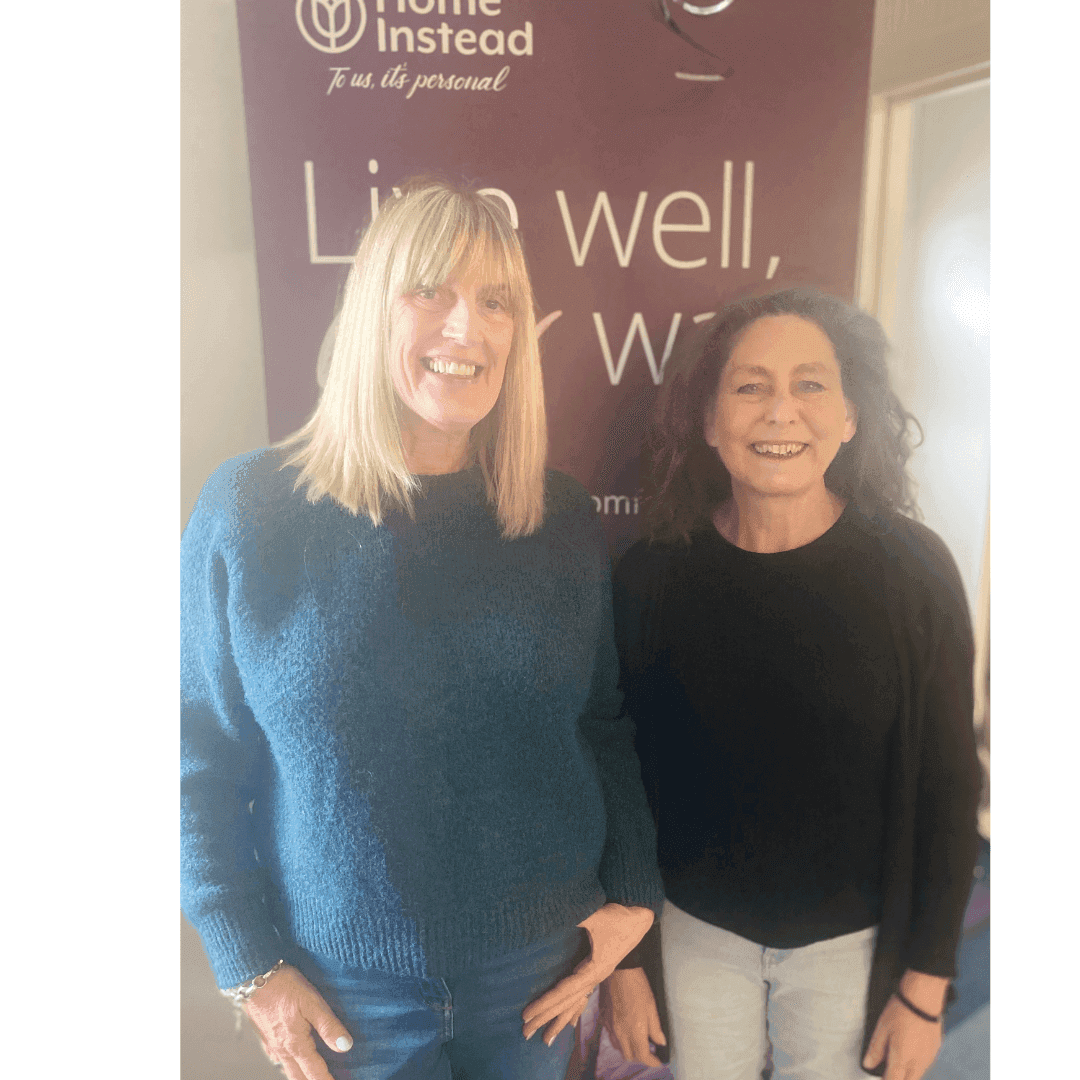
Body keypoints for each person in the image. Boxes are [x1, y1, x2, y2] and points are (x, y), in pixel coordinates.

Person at [181, 179, 665, 1080]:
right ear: (372, 309)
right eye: (429, 291)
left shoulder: (554, 513)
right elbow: (194, 756)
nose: (465, 330)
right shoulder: (250, 512)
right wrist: (245, 962)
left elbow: (600, 720)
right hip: (347, 1000)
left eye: (496, 301)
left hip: (537, 979)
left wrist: (634, 895)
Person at [604, 289, 981, 1080]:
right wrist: (629, 965)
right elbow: (619, 785)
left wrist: (924, 989)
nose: (781, 411)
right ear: (709, 422)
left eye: (810, 384)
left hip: (854, 947)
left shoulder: (914, 573)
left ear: (851, 416)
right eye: (750, 386)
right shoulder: (650, 578)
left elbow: (949, 787)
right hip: (697, 936)